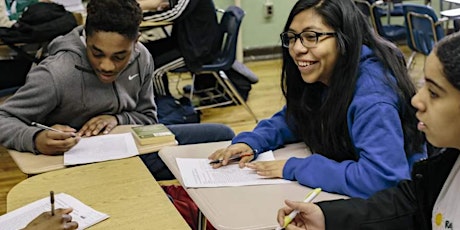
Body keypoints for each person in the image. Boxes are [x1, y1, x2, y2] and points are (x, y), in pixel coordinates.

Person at [209, 0, 426, 198]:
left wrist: (297, 168)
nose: (297, 48)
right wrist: (252, 141)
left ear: (345, 39)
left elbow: (382, 179)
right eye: (292, 37)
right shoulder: (328, 74)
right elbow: (296, 117)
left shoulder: (373, 97)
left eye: (311, 37)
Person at [0, 0, 234, 177]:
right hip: (78, 166)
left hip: (131, 148)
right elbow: (4, 118)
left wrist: (116, 119)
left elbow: (148, 118)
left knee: (223, 137)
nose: (106, 66)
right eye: (97, 53)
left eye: (120, 56)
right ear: (86, 38)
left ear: (136, 41)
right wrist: (35, 138)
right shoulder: (57, 73)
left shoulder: (142, 57)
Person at [276, 31, 460, 230]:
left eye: (433, 93)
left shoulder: (372, 92)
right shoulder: (444, 166)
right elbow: (404, 206)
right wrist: (329, 218)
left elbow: (382, 180)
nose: (416, 100)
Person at [138, 0, 219, 96]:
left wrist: (139, 18)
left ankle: (165, 105)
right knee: (147, 51)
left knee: (154, 69)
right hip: (187, 42)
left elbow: (174, 14)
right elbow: (173, 6)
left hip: (196, 50)